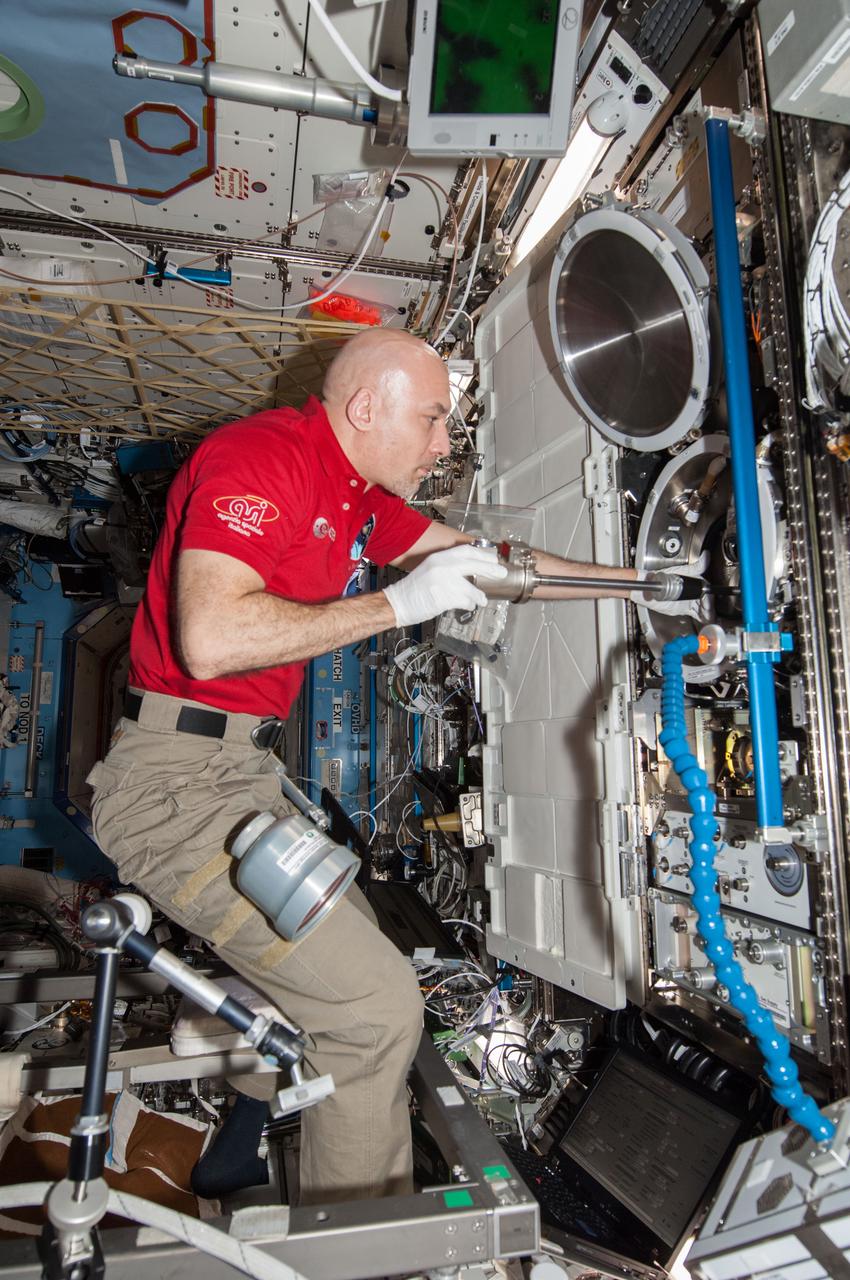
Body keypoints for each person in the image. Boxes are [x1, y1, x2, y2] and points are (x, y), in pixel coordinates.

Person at [87, 328, 638, 1206]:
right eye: (430, 420)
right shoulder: (262, 457)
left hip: (237, 778)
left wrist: (639, 584)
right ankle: (357, 1258)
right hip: (175, 789)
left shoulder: (358, 496)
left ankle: (238, 1141)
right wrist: (395, 604)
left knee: (340, 970)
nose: (442, 443)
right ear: (364, 408)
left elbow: (493, 567)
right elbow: (214, 635)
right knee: (375, 1012)